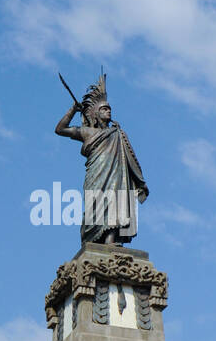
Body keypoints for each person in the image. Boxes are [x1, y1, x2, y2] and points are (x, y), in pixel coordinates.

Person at [55, 75, 149, 245]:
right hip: (97, 174)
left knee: (115, 200)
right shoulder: (87, 132)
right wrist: (73, 110)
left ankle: (111, 239)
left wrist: (139, 181)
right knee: (96, 204)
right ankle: (95, 238)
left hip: (116, 173)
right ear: (97, 114)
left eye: (109, 109)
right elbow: (60, 129)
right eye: (104, 109)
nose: (108, 111)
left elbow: (130, 157)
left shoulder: (117, 133)